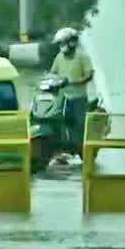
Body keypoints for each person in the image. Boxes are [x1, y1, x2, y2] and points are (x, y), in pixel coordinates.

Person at [49, 28, 94, 158]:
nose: (61, 47)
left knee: (79, 127)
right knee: (60, 123)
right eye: (59, 44)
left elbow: (89, 75)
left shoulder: (82, 57)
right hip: (62, 98)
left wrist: (73, 82)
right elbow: (53, 73)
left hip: (78, 98)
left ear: (72, 42)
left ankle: (82, 152)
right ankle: (62, 150)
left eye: (63, 43)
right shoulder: (59, 57)